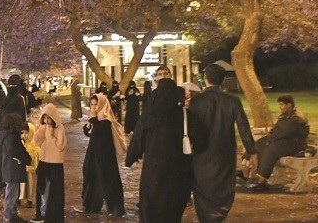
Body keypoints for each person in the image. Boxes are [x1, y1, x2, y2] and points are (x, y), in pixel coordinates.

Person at [188, 63, 257, 223]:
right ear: (223, 80)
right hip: (224, 151)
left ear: (205, 78)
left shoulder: (196, 101)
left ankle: (205, 218)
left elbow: (190, 128)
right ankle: (219, 217)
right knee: (223, 186)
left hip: (201, 152)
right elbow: (244, 127)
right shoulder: (232, 101)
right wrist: (251, 150)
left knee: (202, 186)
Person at [124, 72, 192, 223]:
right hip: (179, 173)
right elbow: (200, 139)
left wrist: (130, 159)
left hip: (154, 172)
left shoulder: (149, 115)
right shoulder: (184, 115)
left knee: (151, 210)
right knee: (173, 212)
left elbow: (138, 140)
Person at [245, 95, 310, 191]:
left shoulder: (296, 118)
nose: (280, 107)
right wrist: (271, 134)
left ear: (289, 105)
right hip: (284, 142)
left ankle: (261, 182)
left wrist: (271, 136)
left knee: (271, 149)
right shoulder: (286, 115)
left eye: (282, 104)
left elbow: (283, 133)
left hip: (295, 145)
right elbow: (278, 130)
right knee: (259, 144)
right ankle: (248, 173)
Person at [81, 93, 126, 216]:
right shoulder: (96, 119)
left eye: (96, 104)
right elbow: (89, 133)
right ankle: (91, 205)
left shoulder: (106, 120)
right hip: (94, 152)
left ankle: (115, 208)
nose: (94, 107)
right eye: (92, 105)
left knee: (108, 179)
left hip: (105, 155)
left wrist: (94, 119)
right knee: (91, 175)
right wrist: (90, 123)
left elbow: (102, 135)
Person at [32, 102, 66, 223]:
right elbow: (36, 141)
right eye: (44, 117)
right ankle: (41, 213)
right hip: (44, 160)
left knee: (54, 190)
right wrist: (39, 129)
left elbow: (60, 146)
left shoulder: (60, 128)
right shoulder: (43, 127)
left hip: (55, 163)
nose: (46, 120)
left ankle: (53, 215)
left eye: (48, 117)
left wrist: (51, 136)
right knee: (42, 188)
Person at [0, 112, 31, 223]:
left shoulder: (8, 135)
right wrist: (26, 159)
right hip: (12, 168)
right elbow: (15, 151)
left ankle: (12, 214)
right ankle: (8, 216)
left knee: (14, 193)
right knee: (12, 194)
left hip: (11, 168)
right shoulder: (11, 137)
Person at [20, 121, 40, 209]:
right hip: (22, 169)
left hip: (31, 170)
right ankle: (21, 198)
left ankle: (30, 200)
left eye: (26, 133)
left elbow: (37, 154)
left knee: (31, 186)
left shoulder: (34, 143)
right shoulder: (21, 143)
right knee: (22, 185)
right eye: (23, 133)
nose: (24, 135)